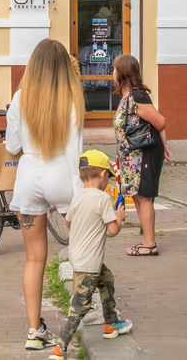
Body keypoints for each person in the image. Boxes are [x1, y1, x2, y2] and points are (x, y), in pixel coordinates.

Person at [9, 38, 84, 352]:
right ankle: (82, 317)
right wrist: (80, 197)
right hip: (60, 175)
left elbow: (13, 146)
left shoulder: (20, 98)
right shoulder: (72, 98)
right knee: (81, 251)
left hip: (29, 176)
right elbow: (74, 152)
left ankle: (33, 330)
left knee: (34, 259)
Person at [49, 150, 134, 357]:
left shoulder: (78, 197)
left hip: (77, 256)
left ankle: (111, 323)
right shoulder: (103, 199)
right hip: (90, 262)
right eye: (108, 178)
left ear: (80, 176)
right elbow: (113, 230)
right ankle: (60, 348)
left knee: (107, 280)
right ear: (103, 175)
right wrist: (119, 216)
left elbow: (69, 222)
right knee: (80, 307)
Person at [110, 54, 170, 257]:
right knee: (138, 196)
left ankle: (150, 243)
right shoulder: (127, 98)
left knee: (144, 197)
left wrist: (165, 145)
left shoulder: (137, 97)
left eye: (114, 69)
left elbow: (159, 121)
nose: (113, 73)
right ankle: (147, 240)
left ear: (123, 72)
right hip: (132, 157)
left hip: (143, 154)